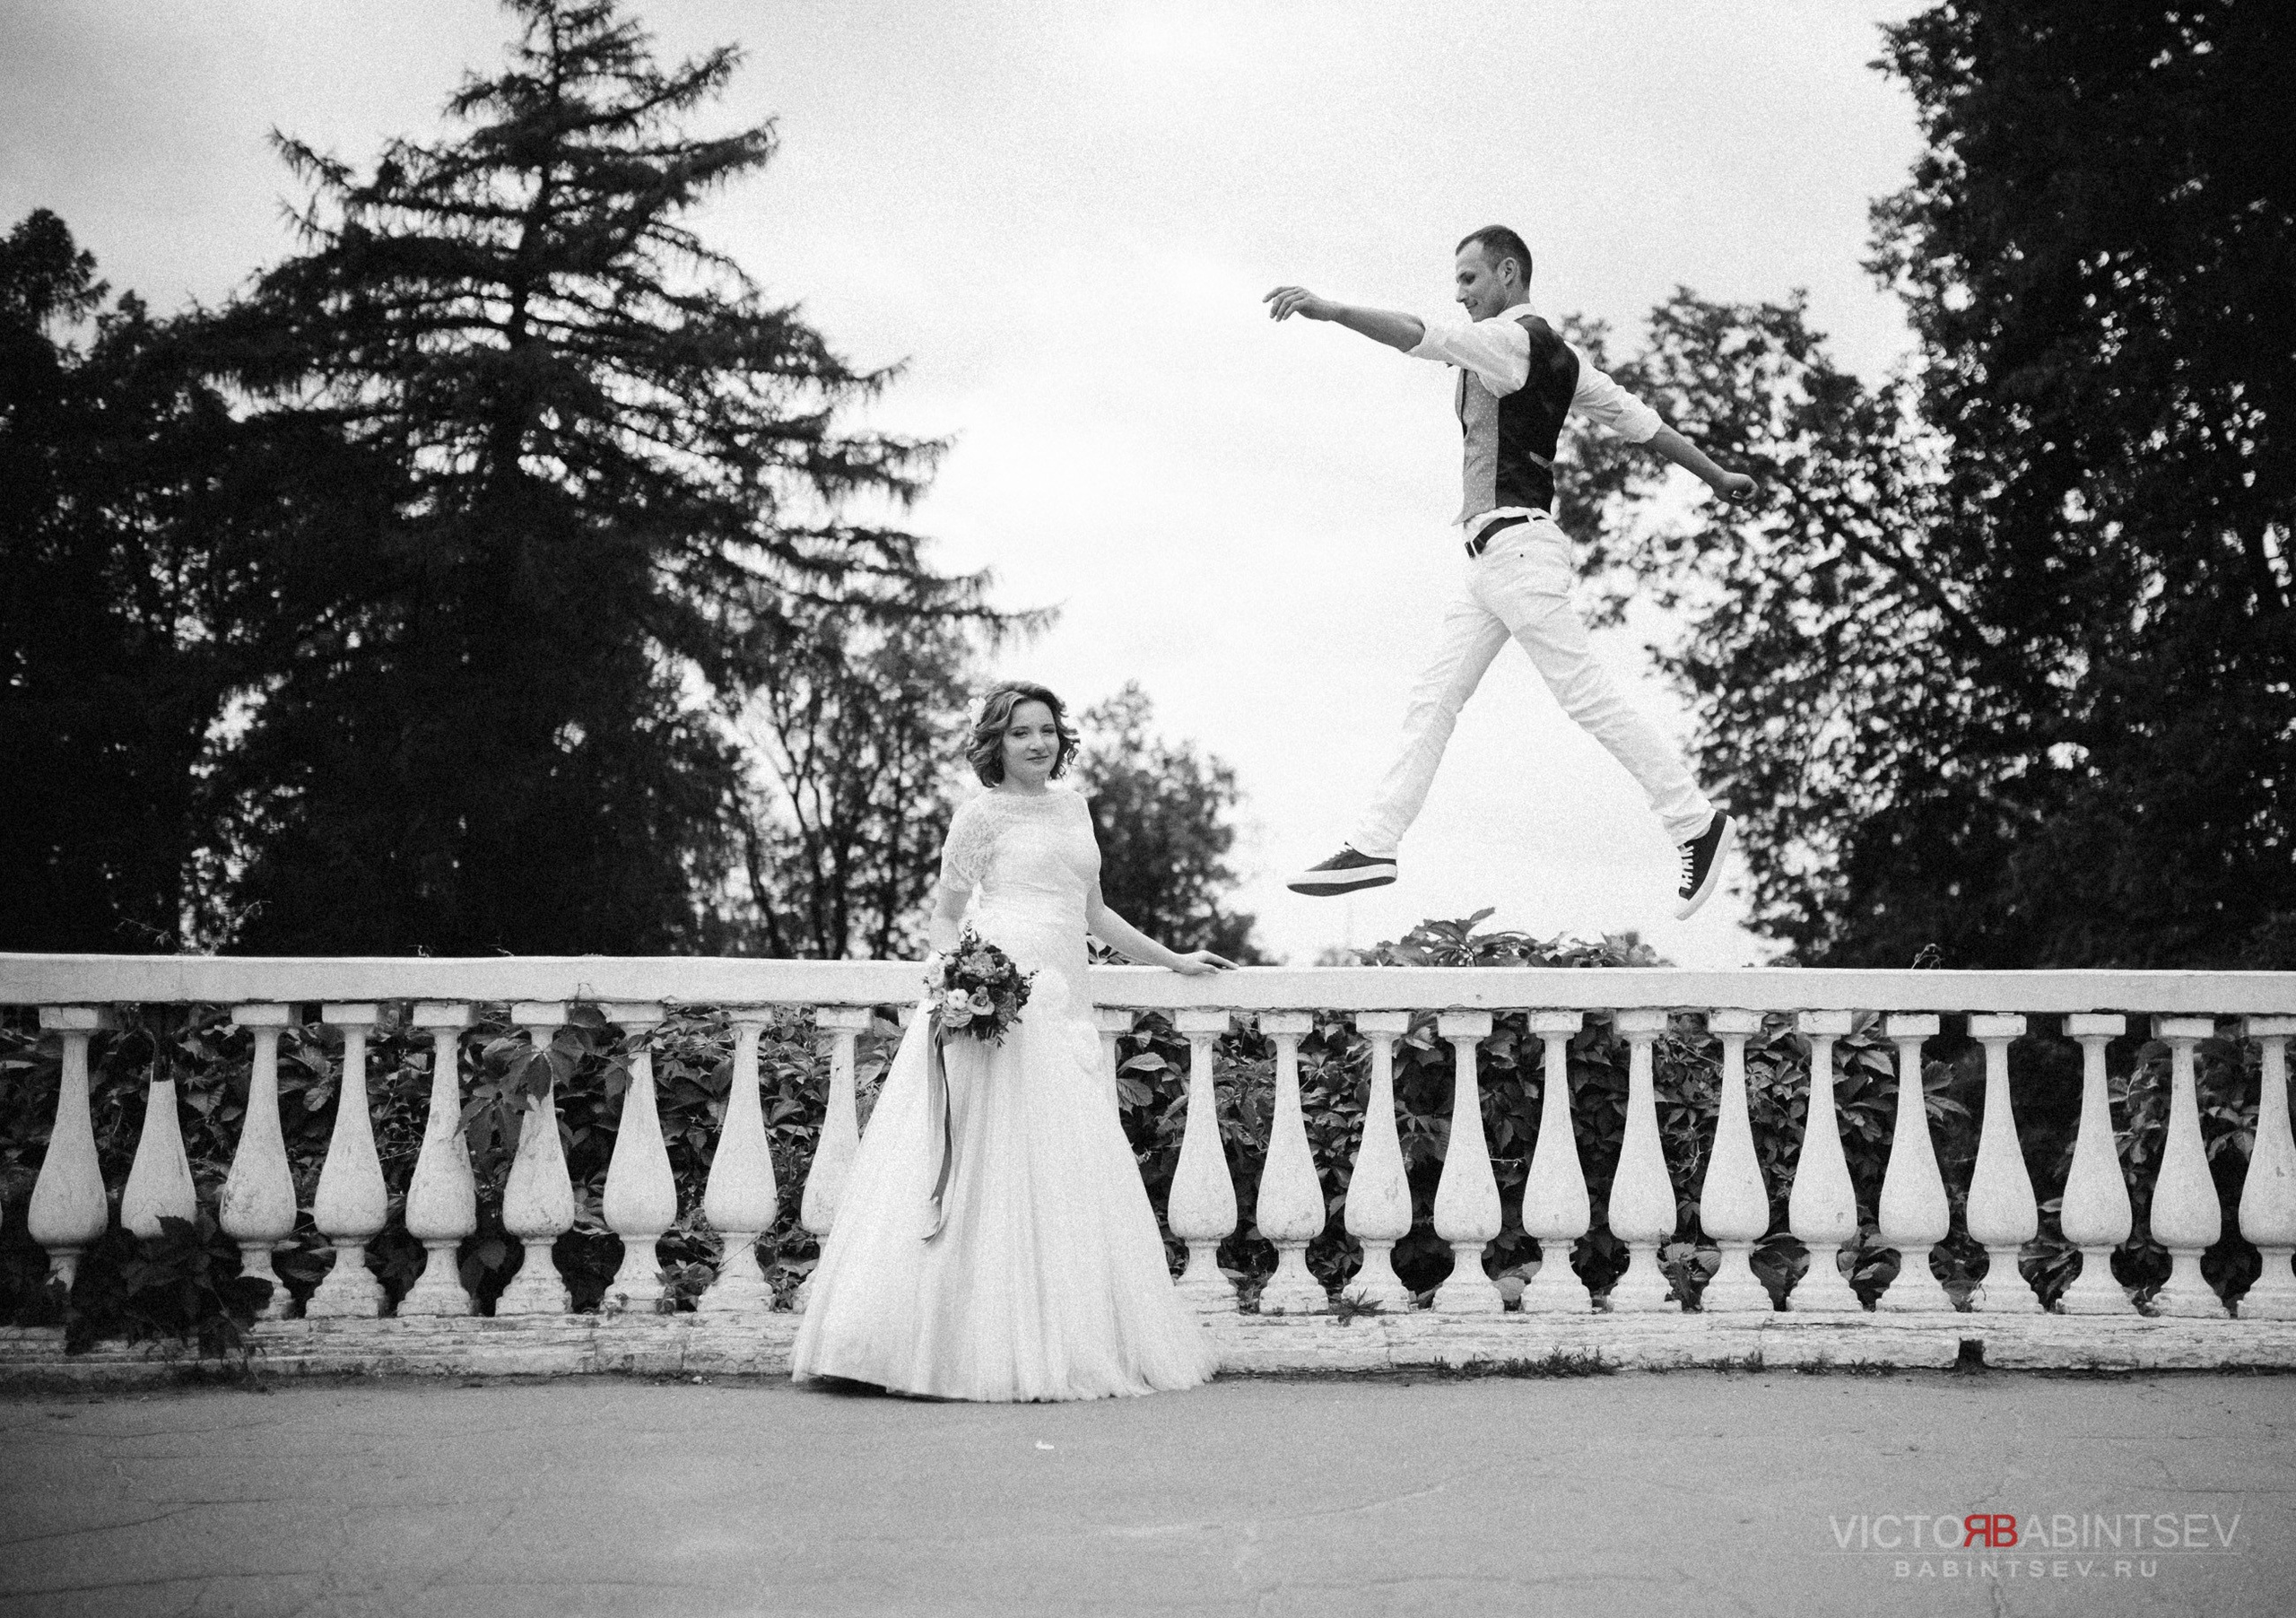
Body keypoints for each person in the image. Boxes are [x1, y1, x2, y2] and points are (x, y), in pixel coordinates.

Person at [1264, 225, 1755, 919]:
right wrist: (1715, 474)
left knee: (1585, 695)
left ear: (1508, 272)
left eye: (1469, 278)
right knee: (1432, 701)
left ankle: (1694, 821)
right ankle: (1375, 844)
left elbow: (1418, 332)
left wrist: (1336, 311)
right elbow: (1640, 422)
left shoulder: (1507, 341)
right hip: (1495, 561)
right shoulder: (1562, 359)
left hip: (1517, 550)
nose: (1459, 293)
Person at [790, 682, 1231, 1402]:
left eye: (1047, 730)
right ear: (995, 743)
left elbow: (1093, 914)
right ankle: (919, 1347)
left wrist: (1176, 960)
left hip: (1064, 1007)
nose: (1038, 743)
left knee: (1058, 1176)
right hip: (996, 1005)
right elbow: (945, 913)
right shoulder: (978, 817)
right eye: (1021, 732)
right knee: (977, 1176)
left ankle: (1057, 1340)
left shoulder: (1075, 807)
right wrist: (958, 978)